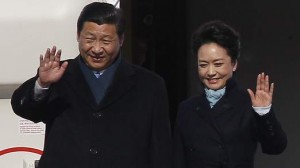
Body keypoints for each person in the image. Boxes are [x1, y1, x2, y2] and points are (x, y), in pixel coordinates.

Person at [11, 2, 171, 168]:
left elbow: (160, 150)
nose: (96, 49)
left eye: (106, 41)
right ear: (78, 35)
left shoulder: (149, 85)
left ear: (121, 40)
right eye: (89, 39)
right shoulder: (58, 75)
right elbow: (24, 109)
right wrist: (42, 84)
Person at [173, 20, 287, 168]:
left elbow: (275, 147)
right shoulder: (187, 109)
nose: (211, 72)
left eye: (218, 64)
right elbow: (176, 160)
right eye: (203, 65)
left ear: (234, 64)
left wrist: (264, 112)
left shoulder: (248, 103)